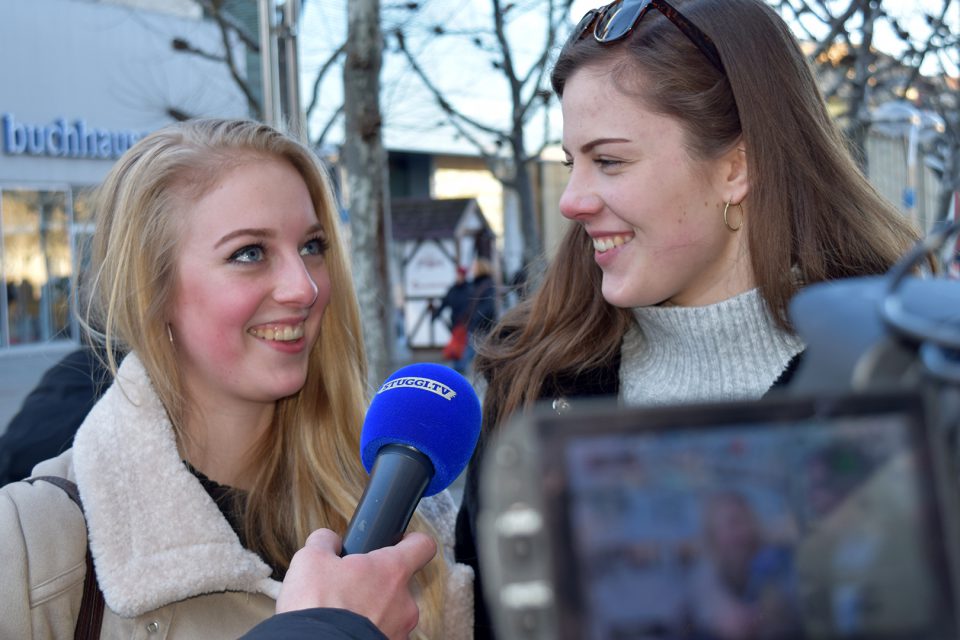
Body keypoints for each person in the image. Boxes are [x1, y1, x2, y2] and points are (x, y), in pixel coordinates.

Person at [453, 0, 921, 637]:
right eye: (571, 163)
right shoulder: (531, 381)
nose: (572, 200)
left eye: (609, 161)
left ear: (737, 167)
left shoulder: (895, 383)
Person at [0, 118, 472, 639]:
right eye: (249, 253)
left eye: (312, 246)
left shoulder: (413, 505)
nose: (303, 287)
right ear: (153, 289)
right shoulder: (33, 545)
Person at [687, 491, 801, 639]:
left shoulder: (774, 559)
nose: (743, 531)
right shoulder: (705, 572)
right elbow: (728, 622)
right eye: (732, 524)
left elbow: (785, 607)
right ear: (712, 535)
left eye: (747, 521)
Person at [432, 265, 473, 372]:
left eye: (460, 275)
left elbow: (472, 306)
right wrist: (436, 314)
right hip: (455, 323)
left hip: (465, 323)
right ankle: (457, 368)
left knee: (463, 347)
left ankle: (460, 368)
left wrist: (467, 318)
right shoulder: (453, 289)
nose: (458, 277)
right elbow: (445, 302)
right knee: (457, 346)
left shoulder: (469, 289)